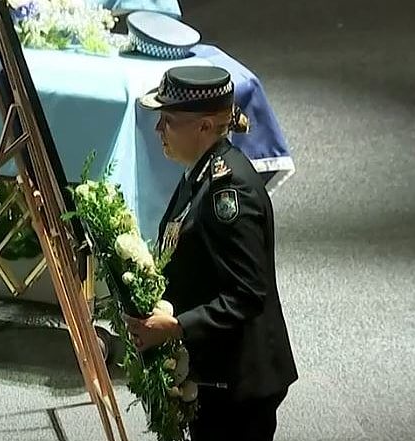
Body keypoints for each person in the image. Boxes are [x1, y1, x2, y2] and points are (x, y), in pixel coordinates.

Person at [124, 65, 298, 441]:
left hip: (240, 383)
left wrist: (177, 326)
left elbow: (248, 293)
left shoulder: (227, 192)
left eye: (168, 120)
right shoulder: (201, 174)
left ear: (204, 126)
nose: (158, 131)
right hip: (217, 373)